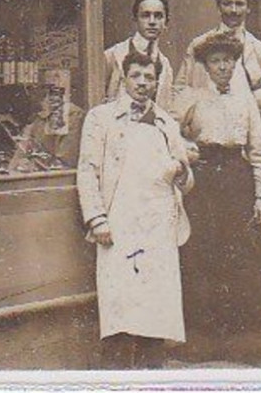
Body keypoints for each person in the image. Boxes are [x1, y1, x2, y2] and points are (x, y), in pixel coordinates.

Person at [176, 31, 261, 363]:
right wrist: (187, 150)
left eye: (228, 60)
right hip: (204, 184)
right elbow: (169, 133)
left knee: (245, 260)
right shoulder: (190, 98)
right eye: (215, 61)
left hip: (238, 182)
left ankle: (249, 342)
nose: (223, 67)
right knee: (203, 259)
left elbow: (257, 152)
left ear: (235, 63)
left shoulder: (246, 101)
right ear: (205, 66)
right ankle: (204, 341)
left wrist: (259, 197)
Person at [77, 50, 194, 369]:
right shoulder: (101, 118)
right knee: (120, 302)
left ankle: (151, 371)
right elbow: (87, 170)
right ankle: (117, 377)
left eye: (149, 77)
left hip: (158, 223)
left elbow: (185, 176)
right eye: (136, 76)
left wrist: (182, 173)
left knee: (155, 303)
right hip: (120, 221)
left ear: (157, 81)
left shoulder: (165, 122)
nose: (143, 83)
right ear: (124, 78)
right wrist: (96, 218)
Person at [175, 0, 261, 117]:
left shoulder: (258, 48)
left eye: (240, 4)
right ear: (218, 8)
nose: (234, 10)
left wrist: (250, 100)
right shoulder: (198, 44)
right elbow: (180, 88)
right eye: (227, 4)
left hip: (245, 122)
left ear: (248, 8)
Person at [103, 0, 175, 112]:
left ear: (166, 22)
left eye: (158, 16)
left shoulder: (165, 65)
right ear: (135, 19)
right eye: (145, 15)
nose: (152, 22)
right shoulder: (114, 55)